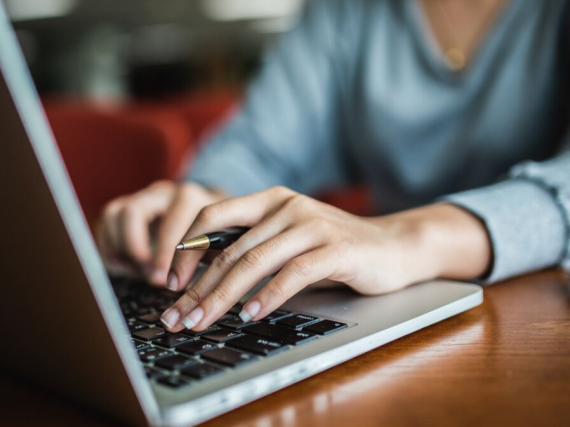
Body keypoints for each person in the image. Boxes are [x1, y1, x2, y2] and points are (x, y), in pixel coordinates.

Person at [97, 0, 570, 332]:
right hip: (380, 306)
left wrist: (403, 238)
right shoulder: (344, 9)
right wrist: (207, 201)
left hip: (538, 311)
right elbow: (261, 144)